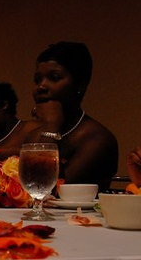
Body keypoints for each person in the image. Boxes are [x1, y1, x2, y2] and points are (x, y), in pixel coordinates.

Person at [26, 41, 118, 191]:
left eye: (54, 78)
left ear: (80, 84)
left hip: (81, 215)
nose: (41, 87)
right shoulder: (33, 136)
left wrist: (51, 126)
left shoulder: (98, 139)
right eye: (37, 79)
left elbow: (46, 190)